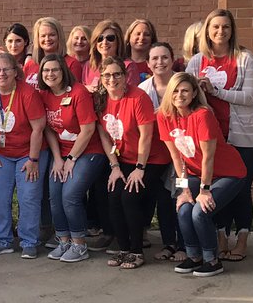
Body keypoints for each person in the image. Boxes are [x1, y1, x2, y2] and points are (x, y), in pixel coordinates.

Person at [186, 8, 253, 262]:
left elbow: (248, 95)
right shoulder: (198, 60)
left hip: (245, 135)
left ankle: (241, 238)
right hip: (212, 137)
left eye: (226, 27)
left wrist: (216, 90)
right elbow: (185, 93)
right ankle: (220, 234)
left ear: (232, 30)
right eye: (215, 27)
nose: (221, 32)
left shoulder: (244, 58)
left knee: (241, 189)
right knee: (217, 188)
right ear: (207, 31)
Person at [156, 72, 248, 278]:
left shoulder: (203, 115)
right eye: (176, 91)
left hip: (228, 173)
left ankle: (211, 260)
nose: (180, 95)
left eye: (185, 90)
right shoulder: (164, 116)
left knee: (200, 211)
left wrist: (204, 190)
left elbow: (208, 157)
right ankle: (193, 255)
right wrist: (184, 189)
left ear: (194, 93)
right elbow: (176, 158)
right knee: (183, 207)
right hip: (197, 173)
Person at [0, 52, 47, 258]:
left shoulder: (27, 93)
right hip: (1, 154)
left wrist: (33, 160)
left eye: (6, 69)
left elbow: (38, 128)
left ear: (15, 72)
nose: (2, 73)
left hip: (28, 153)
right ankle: (3, 240)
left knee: (28, 197)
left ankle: (29, 241)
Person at [36, 54, 99, 264]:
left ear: (63, 70)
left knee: (70, 195)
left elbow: (88, 129)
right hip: (62, 152)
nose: (50, 74)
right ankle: (64, 240)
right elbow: (49, 130)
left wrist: (71, 158)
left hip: (88, 151)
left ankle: (79, 244)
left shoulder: (79, 92)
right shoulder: (44, 95)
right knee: (54, 194)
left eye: (55, 69)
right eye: (46, 70)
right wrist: (58, 158)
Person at [97, 56, 158, 270]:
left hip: (149, 159)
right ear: (101, 78)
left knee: (129, 198)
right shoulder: (101, 100)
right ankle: (123, 249)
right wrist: (114, 166)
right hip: (123, 159)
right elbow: (104, 135)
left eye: (117, 74)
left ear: (125, 76)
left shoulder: (138, 97)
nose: (112, 79)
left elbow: (146, 136)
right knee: (113, 195)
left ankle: (136, 251)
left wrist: (140, 168)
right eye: (107, 75)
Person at [138, 41, 182, 262]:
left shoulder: (182, 85)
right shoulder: (143, 91)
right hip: (156, 154)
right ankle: (169, 243)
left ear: (172, 60)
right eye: (154, 58)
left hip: (182, 155)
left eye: (164, 57)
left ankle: (184, 245)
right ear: (147, 63)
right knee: (163, 198)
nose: (160, 62)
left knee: (182, 194)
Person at [86, 19, 124, 91]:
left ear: (118, 41)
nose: (104, 42)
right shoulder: (89, 66)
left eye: (110, 38)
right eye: (100, 38)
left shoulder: (128, 66)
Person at [29, 17, 64, 88]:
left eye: (52, 35)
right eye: (43, 36)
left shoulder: (71, 63)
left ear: (59, 37)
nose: (47, 39)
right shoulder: (29, 64)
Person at [124, 18, 158, 86]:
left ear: (152, 39)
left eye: (147, 34)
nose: (142, 38)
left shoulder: (157, 64)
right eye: (138, 34)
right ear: (129, 37)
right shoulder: (121, 64)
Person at [1, 23, 35, 87]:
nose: (14, 45)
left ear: (25, 42)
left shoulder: (33, 61)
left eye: (18, 41)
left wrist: (29, 57)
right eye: (10, 41)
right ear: (5, 42)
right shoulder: (0, 62)